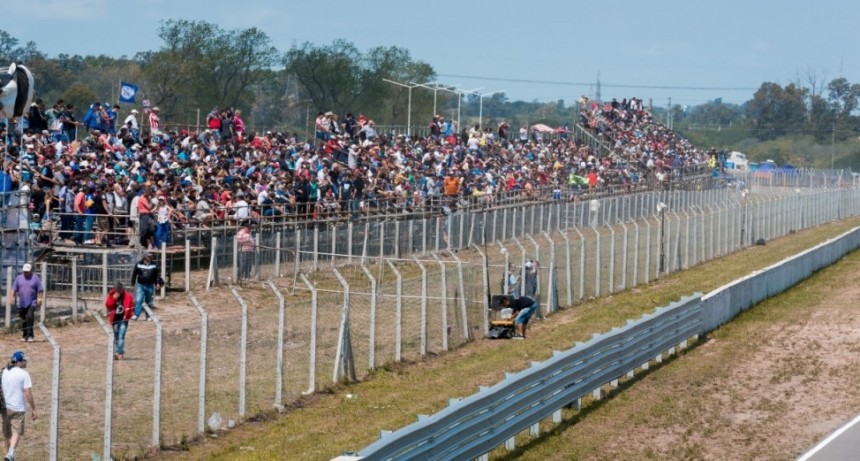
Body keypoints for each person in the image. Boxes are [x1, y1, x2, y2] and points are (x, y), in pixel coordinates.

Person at [1, 351, 36, 461]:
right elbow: (28, 392)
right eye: (25, 360)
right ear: (19, 361)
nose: (26, 362)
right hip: (17, 408)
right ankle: (10, 452)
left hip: (4, 408)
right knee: (17, 431)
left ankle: (9, 455)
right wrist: (34, 409)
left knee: (7, 433)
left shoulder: (3, 371)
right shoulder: (23, 374)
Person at [8, 264, 42, 343]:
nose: (26, 273)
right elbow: (13, 289)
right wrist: (12, 297)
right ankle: (24, 335)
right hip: (21, 302)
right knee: (23, 318)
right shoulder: (19, 278)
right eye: (24, 271)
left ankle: (30, 336)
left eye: (27, 271)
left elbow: (40, 290)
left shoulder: (35, 278)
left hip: (32, 302)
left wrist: (39, 299)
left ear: (30, 271)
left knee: (29, 317)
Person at [104, 282, 134, 360]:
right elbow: (108, 305)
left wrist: (128, 315)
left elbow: (131, 308)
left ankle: (118, 352)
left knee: (121, 336)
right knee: (117, 336)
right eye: (117, 291)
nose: (119, 293)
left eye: (120, 291)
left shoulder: (128, 296)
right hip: (115, 320)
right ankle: (120, 352)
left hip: (124, 319)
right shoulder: (112, 295)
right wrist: (113, 299)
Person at [130, 252, 162, 321]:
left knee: (149, 301)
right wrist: (132, 285)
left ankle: (148, 316)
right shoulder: (139, 264)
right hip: (140, 285)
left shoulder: (154, 265)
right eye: (148, 256)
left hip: (150, 285)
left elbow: (156, 276)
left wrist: (157, 283)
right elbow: (134, 275)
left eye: (151, 256)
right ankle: (136, 315)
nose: (150, 257)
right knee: (139, 300)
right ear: (144, 257)